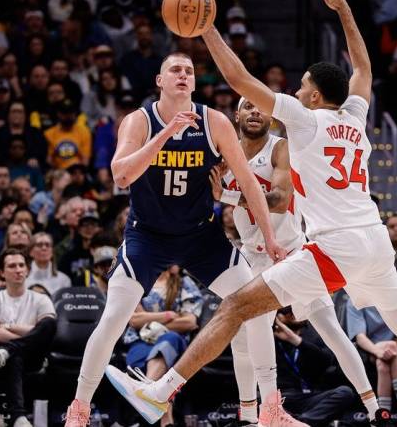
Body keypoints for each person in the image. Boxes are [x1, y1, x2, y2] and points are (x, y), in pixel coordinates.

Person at [107, 0, 397, 426]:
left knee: (235, 306)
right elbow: (362, 65)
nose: (298, 92)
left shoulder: (304, 120)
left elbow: (241, 82)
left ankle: (160, 392)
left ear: (317, 96)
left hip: (335, 246)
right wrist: (344, 12)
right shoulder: (356, 115)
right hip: (375, 242)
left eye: (303, 87)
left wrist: (208, 30)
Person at [62, 49, 290, 427]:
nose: (183, 75)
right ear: (160, 81)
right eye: (175, 70)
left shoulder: (214, 121)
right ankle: (79, 409)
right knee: (114, 318)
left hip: (200, 235)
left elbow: (249, 183)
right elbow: (121, 176)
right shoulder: (139, 121)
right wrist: (166, 134)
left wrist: (271, 239)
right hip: (147, 236)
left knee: (257, 308)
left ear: (194, 82)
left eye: (188, 70)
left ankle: (269, 409)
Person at [212, 97, 387, 424]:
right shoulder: (227, 155)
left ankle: (375, 408)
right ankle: (252, 415)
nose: (255, 111)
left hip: (293, 251)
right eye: (247, 106)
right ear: (236, 115)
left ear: (272, 117)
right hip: (253, 254)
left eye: (260, 106)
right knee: (243, 335)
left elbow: (278, 201)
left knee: (330, 329)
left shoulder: (281, 149)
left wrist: (224, 195)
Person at [0, 249, 57, 427]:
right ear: (1, 272)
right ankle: (18, 417)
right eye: (12, 266)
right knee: (16, 356)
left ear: (28, 270)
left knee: (50, 324)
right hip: (2, 357)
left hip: (33, 356)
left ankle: (9, 350)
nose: (18, 270)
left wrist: (6, 327)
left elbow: (46, 330)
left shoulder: (41, 299)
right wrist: (31, 332)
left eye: (22, 265)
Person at [123, 266, 202, 427]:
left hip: (175, 341)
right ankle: (167, 421)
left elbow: (189, 322)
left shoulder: (184, 282)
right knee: (154, 361)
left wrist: (149, 320)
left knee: (168, 342)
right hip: (141, 341)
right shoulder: (140, 281)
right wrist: (167, 315)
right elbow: (134, 320)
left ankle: (145, 392)